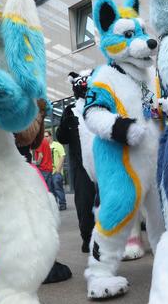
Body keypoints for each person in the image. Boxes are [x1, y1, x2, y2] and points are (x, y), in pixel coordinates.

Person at [58, 72, 96, 253]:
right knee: (84, 202)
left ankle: (107, 236)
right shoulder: (69, 110)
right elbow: (61, 137)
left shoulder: (99, 106)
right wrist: (66, 123)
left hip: (103, 162)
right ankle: (88, 238)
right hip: (81, 165)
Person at [46, 131, 67, 211]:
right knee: (51, 189)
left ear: (51, 136)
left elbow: (62, 156)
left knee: (58, 188)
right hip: (48, 171)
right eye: (44, 136)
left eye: (47, 136)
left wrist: (58, 170)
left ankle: (62, 204)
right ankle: (54, 205)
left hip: (56, 172)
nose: (45, 138)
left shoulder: (57, 145)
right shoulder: (45, 146)